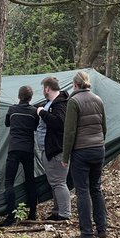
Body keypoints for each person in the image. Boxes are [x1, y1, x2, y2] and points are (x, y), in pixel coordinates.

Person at [61, 71, 108, 238]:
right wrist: (100, 143)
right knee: (96, 188)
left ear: (75, 85)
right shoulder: (98, 99)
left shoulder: (73, 101)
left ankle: (87, 234)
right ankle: (102, 229)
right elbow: (104, 127)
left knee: (82, 191)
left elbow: (70, 131)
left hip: (81, 151)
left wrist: (65, 156)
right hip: (98, 149)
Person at [1, 85, 39, 226]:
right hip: (28, 149)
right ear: (30, 98)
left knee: (9, 182)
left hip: (14, 149)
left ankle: (11, 217)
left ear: (19, 96)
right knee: (30, 180)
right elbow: (36, 127)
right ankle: (33, 214)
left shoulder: (12, 110)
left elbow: (6, 123)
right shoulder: (34, 111)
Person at [35, 75, 71, 222]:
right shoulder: (51, 103)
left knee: (59, 182)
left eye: (43, 89)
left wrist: (42, 113)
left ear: (47, 88)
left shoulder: (60, 104)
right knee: (54, 182)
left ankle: (64, 214)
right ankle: (57, 211)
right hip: (50, 149)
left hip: (57, 149)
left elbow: (59, 123)